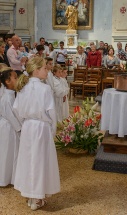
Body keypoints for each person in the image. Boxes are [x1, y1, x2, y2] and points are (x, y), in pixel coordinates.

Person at [13, 57, 60, 210]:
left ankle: (30, 195)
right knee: (40, 161)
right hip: (41, 128)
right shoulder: (45, 88)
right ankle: (37, 198)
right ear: (36, 70)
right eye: (45, 68)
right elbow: (51, 112)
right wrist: (53, 129)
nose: (48, 71)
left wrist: (24, 123)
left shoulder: (23, 87)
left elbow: (16, 110)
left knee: (29, 160)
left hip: (27, 127)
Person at [0, 68, 21, 187]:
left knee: (12, 152)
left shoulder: (12, 95)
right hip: (8, 128)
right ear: (7, 81)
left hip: (11, 127)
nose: (17, 80)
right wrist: (20, 128)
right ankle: (3, 178)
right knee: (6, 153)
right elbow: (10, 115)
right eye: (15, 78)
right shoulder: (6, 98)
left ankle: (10, 177)